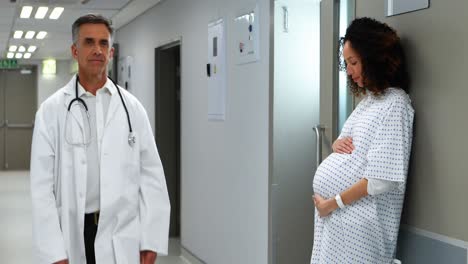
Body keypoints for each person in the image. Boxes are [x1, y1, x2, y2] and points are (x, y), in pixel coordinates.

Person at [30, 14, 170, 264]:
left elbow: (152, 176)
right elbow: (42, 189)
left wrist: (151, 238)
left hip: (123, 231)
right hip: (74, 232)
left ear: (111, 52)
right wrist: (53, 251)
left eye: (103, 43)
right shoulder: (51, 112)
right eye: (89, 42)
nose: (97, 50)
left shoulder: (132, 109)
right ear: (75, 50)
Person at [311, 17, 414, 263]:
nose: (349, 71)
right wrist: (337, 146)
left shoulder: (395, 104)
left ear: (375, 58)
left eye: (354, 62)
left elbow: (381, 179)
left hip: (359, 230)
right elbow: (348, 143)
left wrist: (332, 204)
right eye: (346, 63)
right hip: (336, 222)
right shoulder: (369, 102)